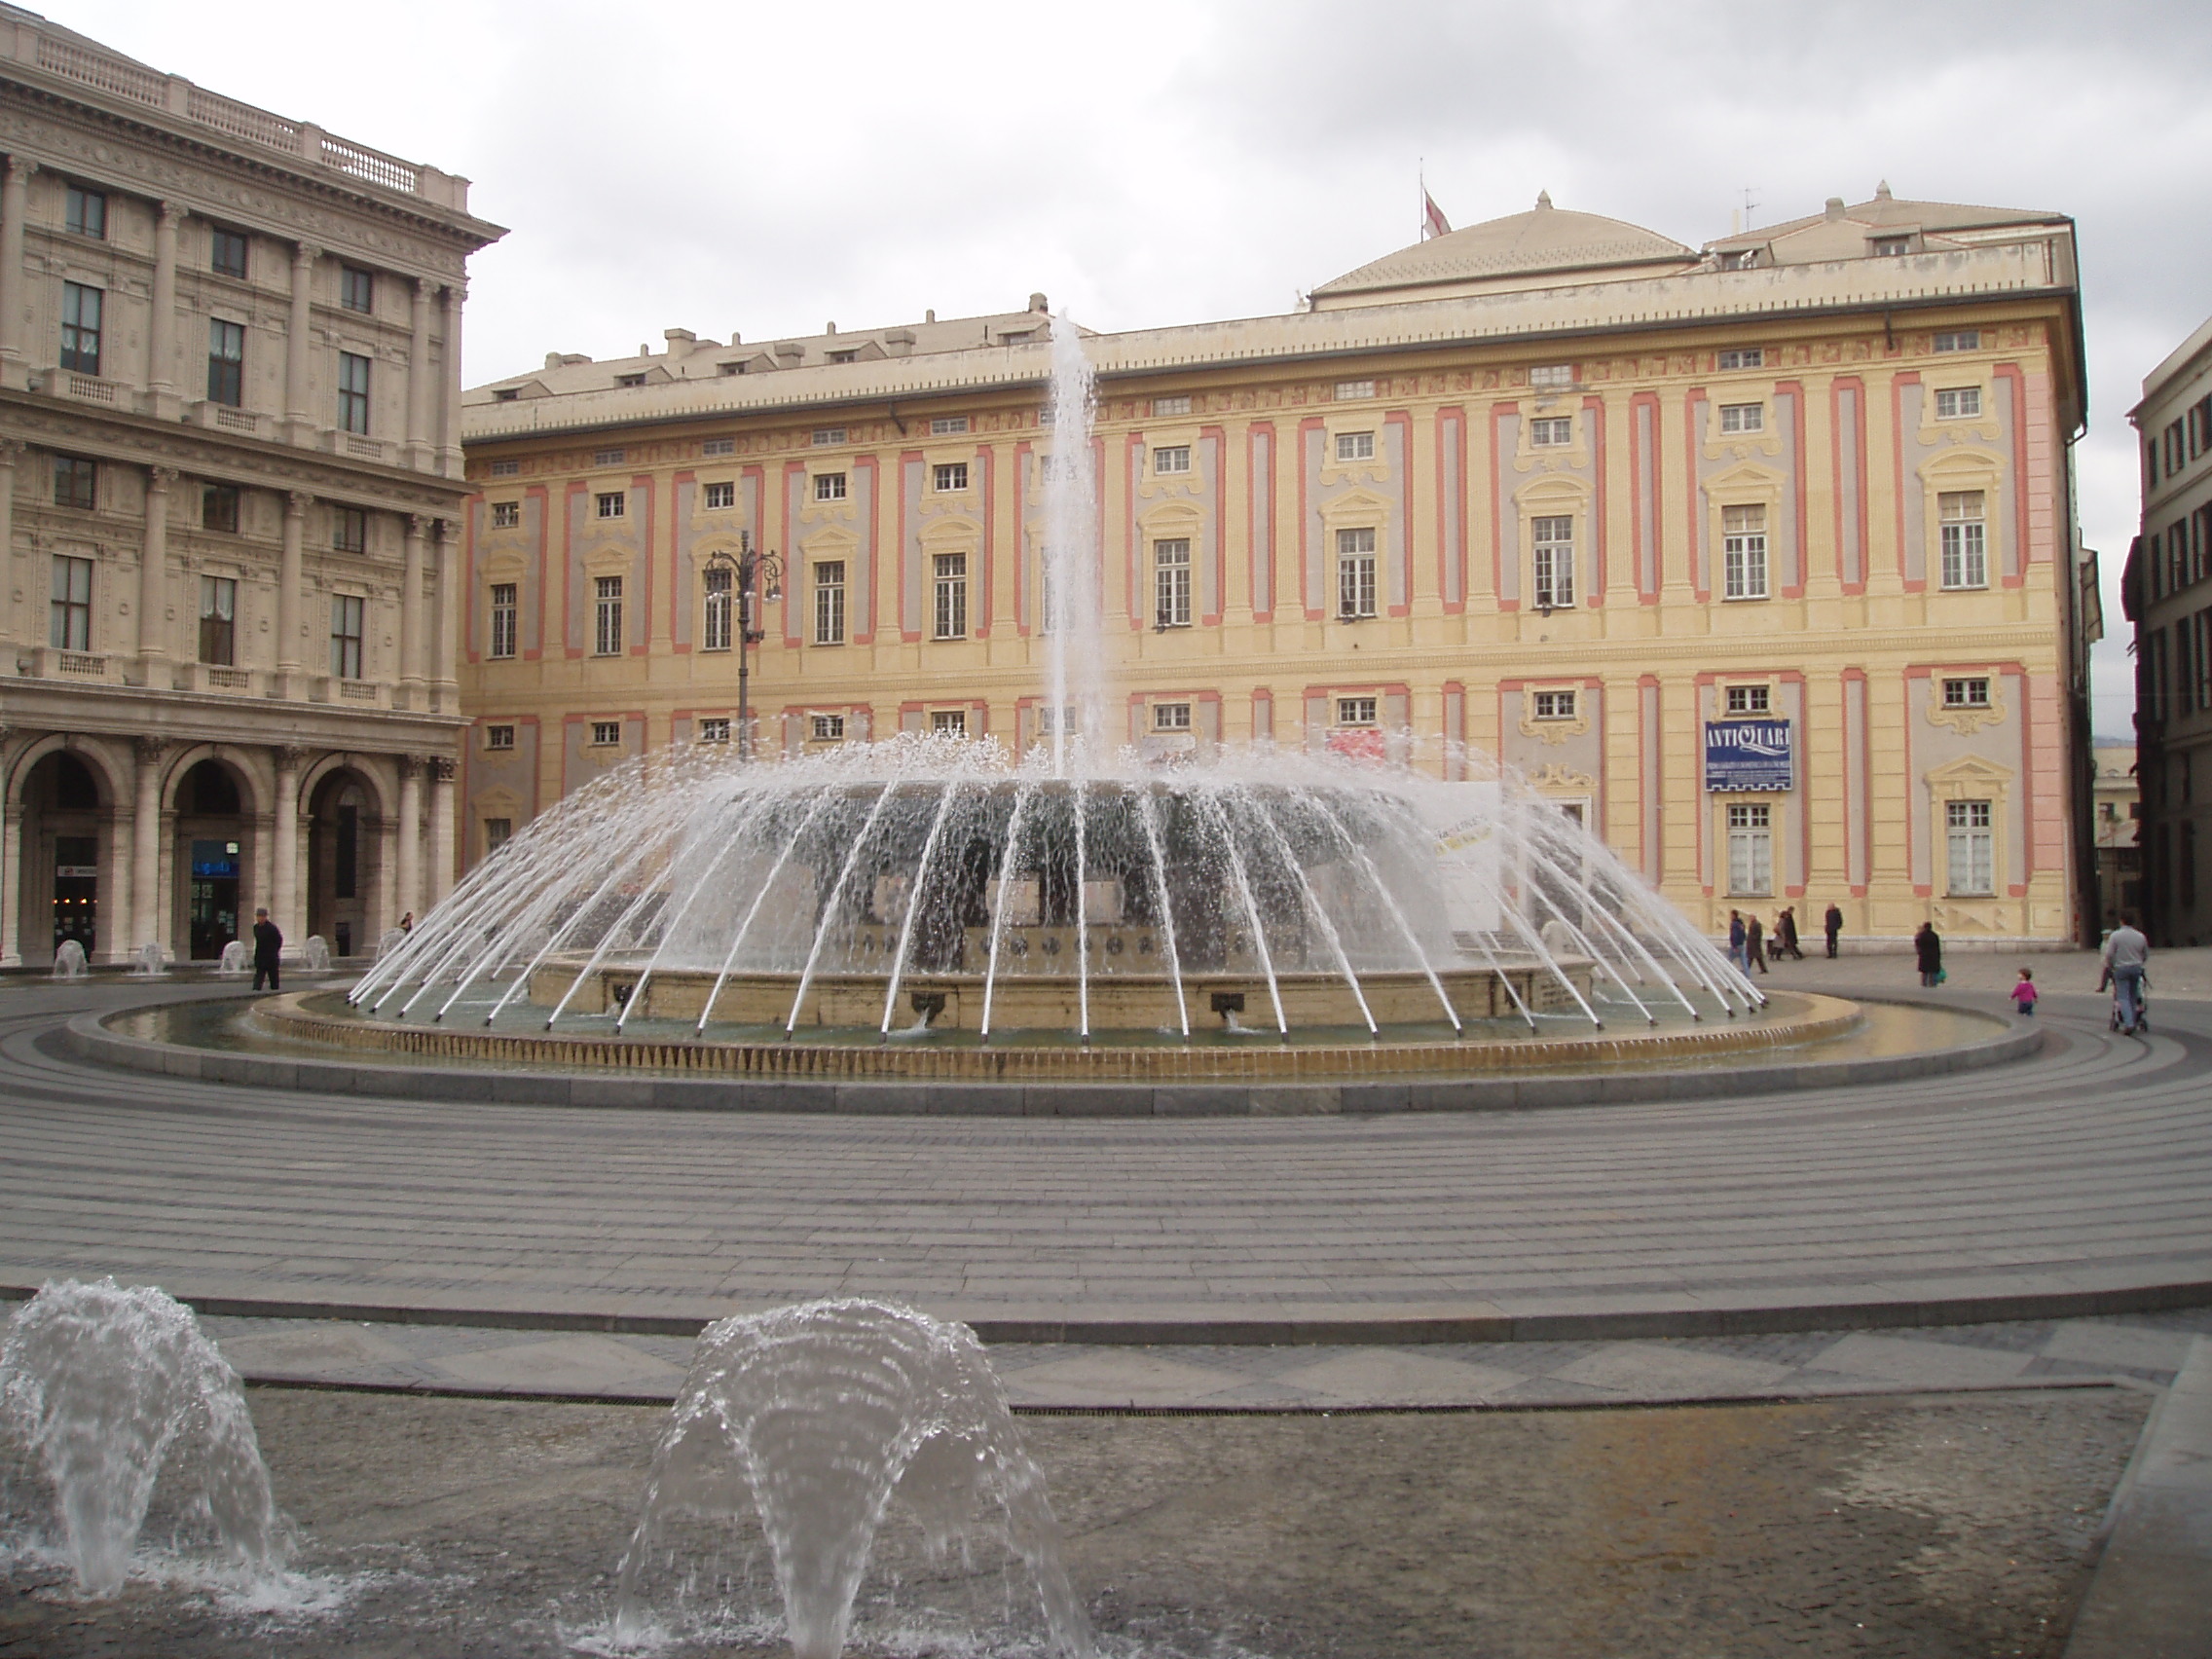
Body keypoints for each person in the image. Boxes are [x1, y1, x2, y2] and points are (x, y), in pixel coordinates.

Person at [2100, 914, 2151, 1035]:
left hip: (2121, 968)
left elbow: (2110, 954)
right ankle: (2133, 1018)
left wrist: (2111, 966)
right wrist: (2139, 962)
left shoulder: (2115, 936)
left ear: (2121, 921)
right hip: (2136, 968)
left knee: (2122, 996)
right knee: (2133, 995)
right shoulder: (2140, 936)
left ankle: (2129, 1024)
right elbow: (2145, 954)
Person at [251, 907, 282, 992]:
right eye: (258, 916)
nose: (260, 918)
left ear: (265, 917)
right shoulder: (256, 928)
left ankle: (275, 993)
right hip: (260, 956)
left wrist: (274, 951)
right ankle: (255, 991)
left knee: (273, 978)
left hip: (271, 957)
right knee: (259, 976)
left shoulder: (272, 928)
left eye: (262, 916)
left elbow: (279, 940)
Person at [1914, 920, 1943, 987]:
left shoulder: (1921, 935)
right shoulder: (1934, 935)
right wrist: (1939, 957)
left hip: (1924, 956)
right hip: (1933, 956)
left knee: (1925, 973)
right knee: (1933, 972)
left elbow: (1918, 945)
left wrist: (1919, 952)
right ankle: (1933, 984)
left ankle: (1924, 984)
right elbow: (1937, 947)